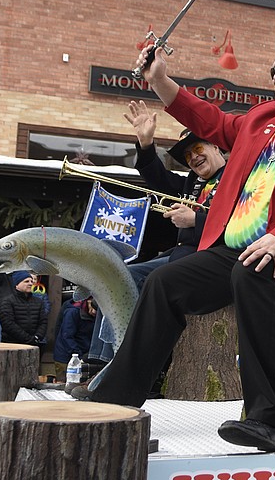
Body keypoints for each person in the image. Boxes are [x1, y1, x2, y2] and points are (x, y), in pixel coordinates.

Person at [81, 38, 275, 454]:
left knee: (251, 274)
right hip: (235, 248)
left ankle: (268, 421)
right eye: (273, 69)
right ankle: (113, 403)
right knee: (164, 283)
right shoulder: (263, 119)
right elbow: (208, 120)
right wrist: (160, 79)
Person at [87, 102, 228, 366]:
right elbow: (158, 178)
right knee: (118, 273)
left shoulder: (235, 178)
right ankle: (101, 360)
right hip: (180, 256)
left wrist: (194, 220)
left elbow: (237, 225)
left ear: (216, 146)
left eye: (198, 149)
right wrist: (146, 143)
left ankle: (133, 364)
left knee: (149, 282)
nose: (193, 158)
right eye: (188, 156)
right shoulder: (192, 181)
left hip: (210, 261)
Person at [0, 271, 47, 347]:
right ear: (17, 284)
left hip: (34, 344)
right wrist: (28, 339)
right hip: (12, 345)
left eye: (31, 281)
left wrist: (37, 337)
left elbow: (43, 322)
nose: (30, 283)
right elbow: (8, 324)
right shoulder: (7, 301)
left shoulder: (38, 302)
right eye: (26, 281)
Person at [53, 298, 95, 377]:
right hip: (66, 356)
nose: (94, 312)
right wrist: (78, 355)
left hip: (83, 355)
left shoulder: (95, 316)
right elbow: (67, 336)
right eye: (93, 308)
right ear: (88, 302)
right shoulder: (73, 312)